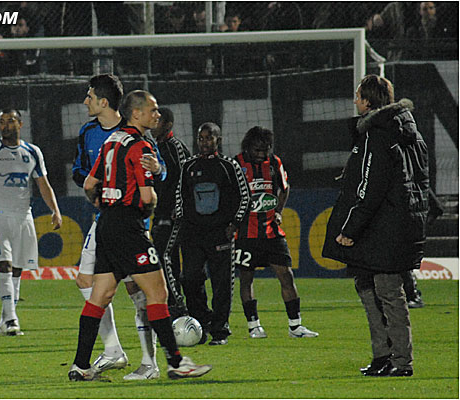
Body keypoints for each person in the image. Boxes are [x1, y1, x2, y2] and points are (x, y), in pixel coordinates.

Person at [69, 90, 212, 381]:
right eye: (153, 109)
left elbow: (89, 183)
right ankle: (177, 362)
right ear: (136, 113)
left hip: (106, 224)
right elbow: (147, 197)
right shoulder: (141, 146)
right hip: (128, 227)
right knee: (158, 293)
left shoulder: (111, 142)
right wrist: (147, 207)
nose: (157, 115)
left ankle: (81, 365)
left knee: (100, 296)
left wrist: (105, 203)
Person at [323, 75, 429, 377]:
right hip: (399, 223)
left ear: (368, 101)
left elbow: (371, 186)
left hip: (381, 227)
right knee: (367, 286)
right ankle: (383, 356)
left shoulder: (376, 134)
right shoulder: (411, 133)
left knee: (387, 292)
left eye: (358, 95)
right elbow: (418, 181)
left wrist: (350, 228)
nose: (355, 101)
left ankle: (400, 361)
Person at [72, 74, 166, 380]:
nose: (85, 101)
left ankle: (149, 361)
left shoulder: (140, 136)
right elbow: (81, 173)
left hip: (131, 222)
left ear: (104, 102)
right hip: (106, 220)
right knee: (87, 282)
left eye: (89, 96)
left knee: (138, 292)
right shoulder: (88, 132)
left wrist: (158, 170)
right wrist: (100, 197)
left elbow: (157, 172)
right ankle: (113, 349)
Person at [0, 109, 62, 336]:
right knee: (3, 263)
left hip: (24, 216)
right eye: (2, 122)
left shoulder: (32, 152)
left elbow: (43, 184)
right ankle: (12, 318)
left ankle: (5, 319)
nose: (5, 126)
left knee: (17, 268)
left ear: (20, 124)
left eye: (10, 121)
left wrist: (55, 210)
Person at [233, 126, 318, 339]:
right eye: (258, 150)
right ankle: (254, 326)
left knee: (286, 275)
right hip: (246, 233)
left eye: (265, 150)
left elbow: (285, 188)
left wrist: (279, 211)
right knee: (246, 279)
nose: (262, 154)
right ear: (249, 147)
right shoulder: (236, 164)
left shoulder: (274, 163)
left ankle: (296, 326)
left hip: (272, 231)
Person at [173, 122, 250, 346]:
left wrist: (235, 223)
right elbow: (180, 197)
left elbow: (244, 197)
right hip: (193, 235)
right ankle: (200, 323)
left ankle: (220, 330)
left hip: (219, 234)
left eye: (209, 138)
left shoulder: (229, 166)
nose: (205, 142)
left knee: (221, 283)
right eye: (201, 138)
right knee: (190, 279)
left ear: (219, 140)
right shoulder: (188, 166)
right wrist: (181, 222)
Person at [149, 108, 191, 320]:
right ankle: (172, 304)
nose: (153, 124)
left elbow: (187, 180)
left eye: (158, 121)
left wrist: (180, 206)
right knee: (168, 258)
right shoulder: (156, 148)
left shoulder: (176, 148)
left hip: (175, 215)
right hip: (160, 212)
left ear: (168, 125)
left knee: (162, 254)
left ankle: (176, 304)